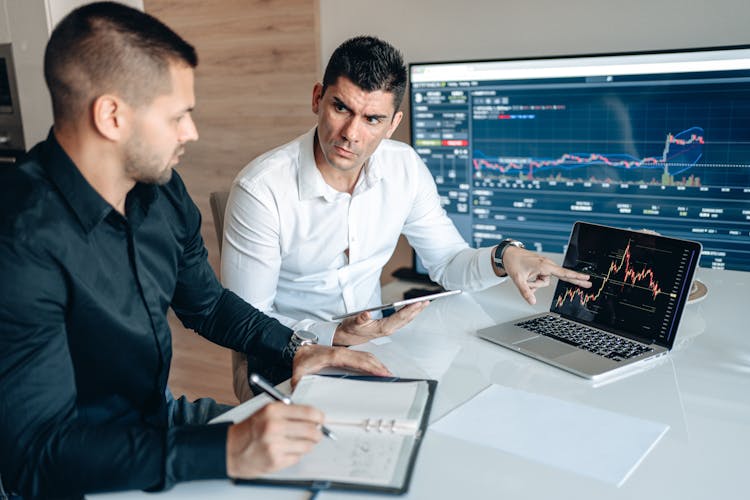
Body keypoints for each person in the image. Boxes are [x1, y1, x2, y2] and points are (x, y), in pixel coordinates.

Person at [0, 4, 391, 499]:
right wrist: (226, 450)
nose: (191, 132)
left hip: (157, 420)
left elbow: (205, 303)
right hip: (72, 466)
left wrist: (299, 348)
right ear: (112, 115)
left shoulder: (159, 192)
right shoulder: (17, 240)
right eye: (177, 116)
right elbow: (36, 457)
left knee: (341, 459)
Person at [222, 35, 591, 400]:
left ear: (393, 123)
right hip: (288, 353)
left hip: (377, 342)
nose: (351, 134)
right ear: (318, 98)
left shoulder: (405, 168)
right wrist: (332, 335)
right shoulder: (261, 190)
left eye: (372, 119)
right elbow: (244, 319)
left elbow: (447, 262)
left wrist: (502, 256)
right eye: (341, 108)